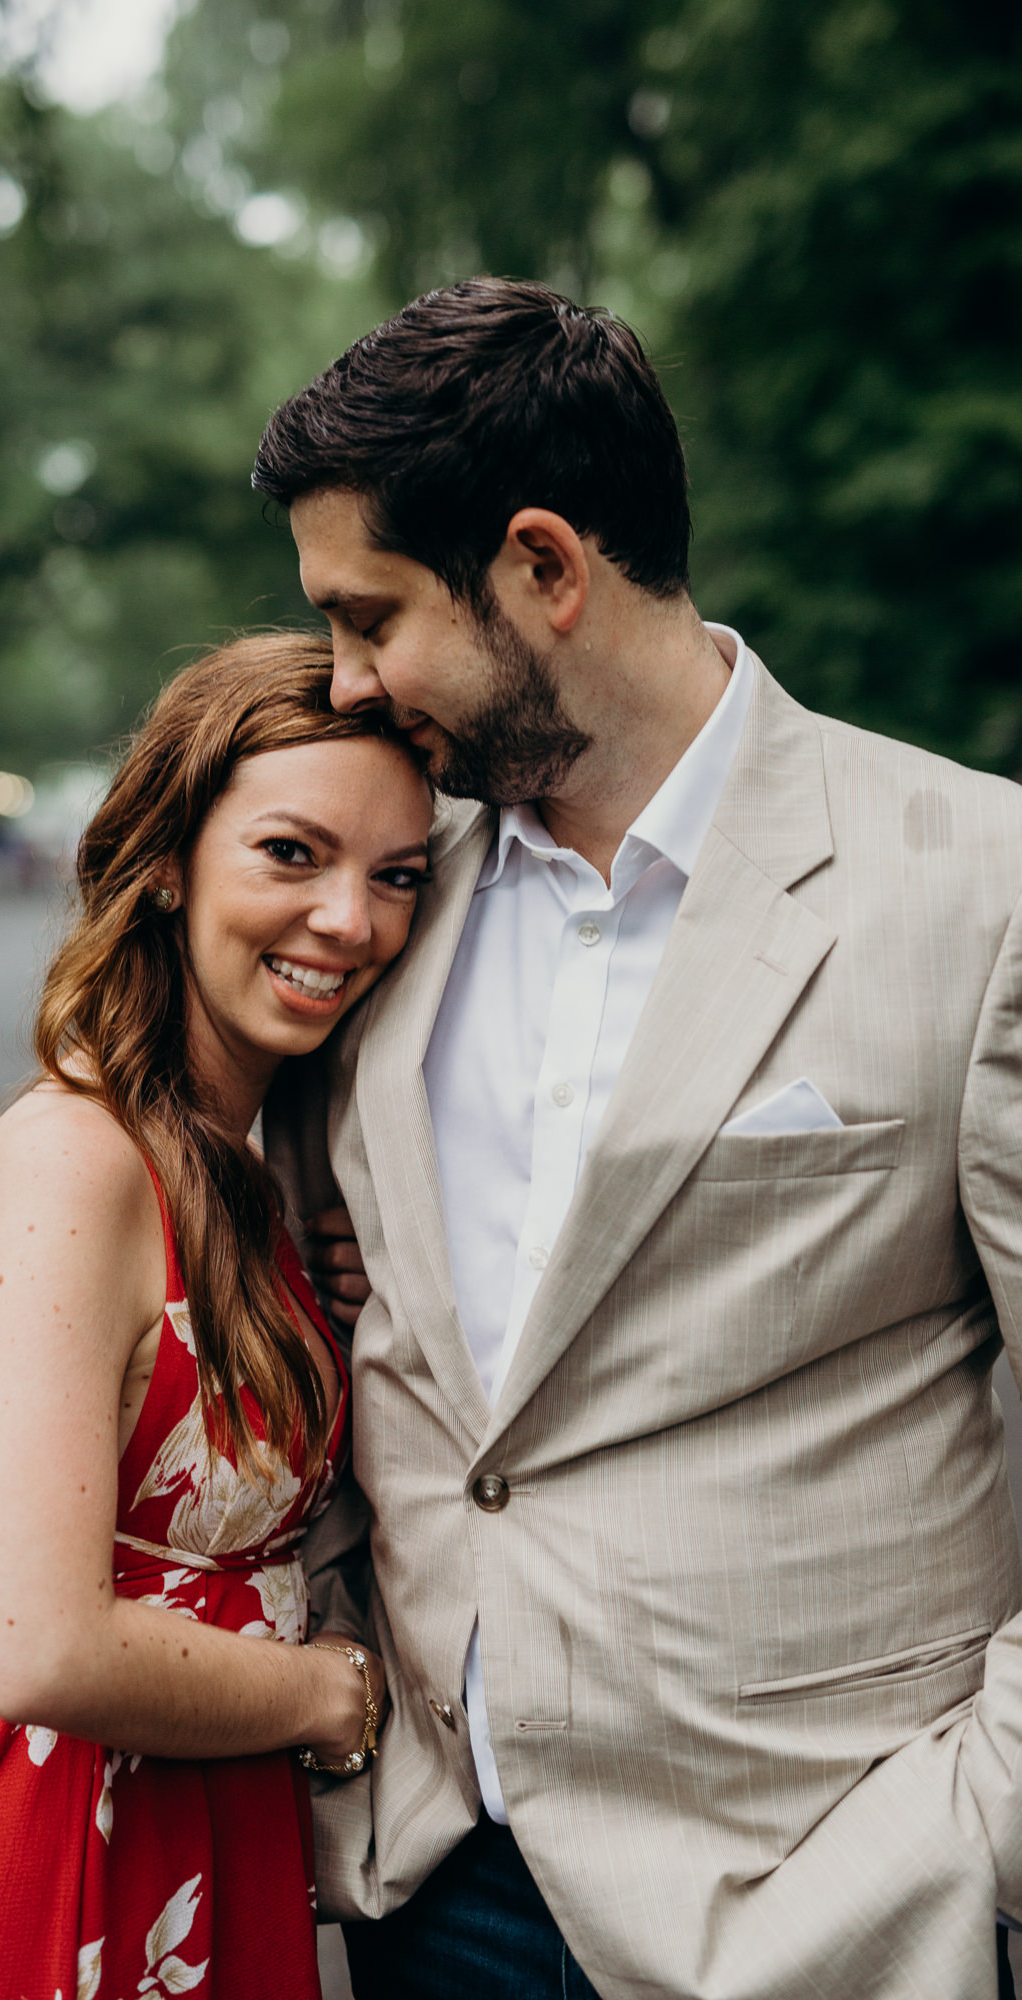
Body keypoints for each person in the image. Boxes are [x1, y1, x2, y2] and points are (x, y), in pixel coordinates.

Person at [252, 279, 1022, 2000]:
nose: (344, 681)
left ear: (542, 566)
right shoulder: (377, 915)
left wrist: (975, 1833)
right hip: (433, 1880)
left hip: (828, 1899)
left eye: (369, 616)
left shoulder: (982, 890)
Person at [0, 633, 432, 2000]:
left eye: (396, 877)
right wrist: (329, 1695)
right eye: (292, 854)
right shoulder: (76, 1157)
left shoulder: (260, 1163)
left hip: (214, 1836)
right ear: (164, 861)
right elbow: (42, 1646)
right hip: (71, 1848)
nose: (351, 919)